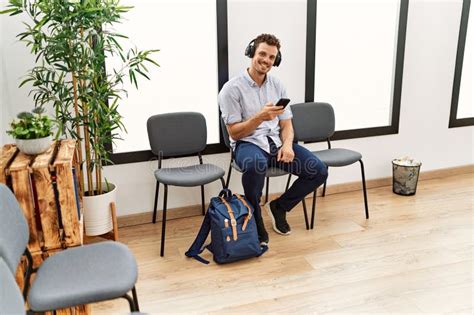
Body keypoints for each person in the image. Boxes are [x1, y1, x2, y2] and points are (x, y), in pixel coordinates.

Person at [218, 33, 328, 245]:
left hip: (276, 143)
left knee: (318, 171)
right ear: (252, 53)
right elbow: (234, 132)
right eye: (262, 54)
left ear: (275, 60)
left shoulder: (277, 85)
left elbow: (286, 124)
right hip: (247, 144)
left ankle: (279, 207)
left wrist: (287, 144)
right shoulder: (231, 90)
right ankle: (255, 216)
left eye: (271, 57)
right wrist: (260, 117)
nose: (266, 60)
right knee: (255, 164)